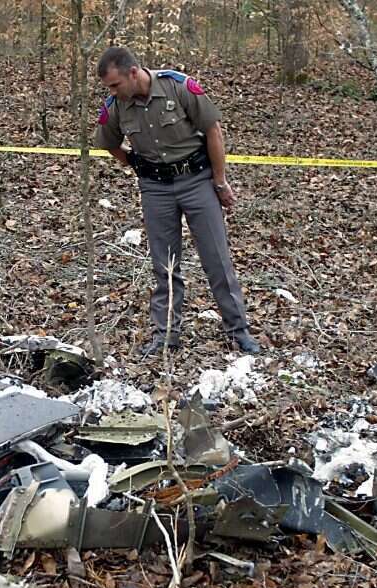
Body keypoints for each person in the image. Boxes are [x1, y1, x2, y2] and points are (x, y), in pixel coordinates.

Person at [95, 46, 260, 356]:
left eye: (115, 85)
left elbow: (213, 131)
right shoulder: (117, 106)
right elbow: (108, 142)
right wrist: (134, 164)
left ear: (133, 73)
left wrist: (219, 181)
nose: (112, 92)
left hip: (196, 180)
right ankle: (166, 334)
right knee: (164, 265)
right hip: (155, 189)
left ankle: (239, 331)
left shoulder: (178, 86)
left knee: (217, 260)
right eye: (109, 88)